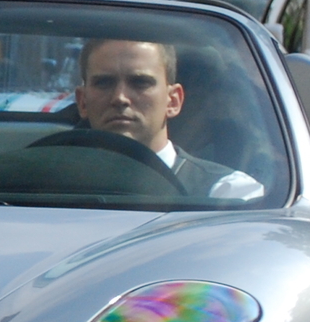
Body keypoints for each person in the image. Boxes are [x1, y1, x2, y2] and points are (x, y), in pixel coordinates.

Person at [71, 37, 262, 201]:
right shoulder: (50, 185)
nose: (120, 98)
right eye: (104, 83)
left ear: (173, 100)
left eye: (140, 83)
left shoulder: (229, 195)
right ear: (82, 102)